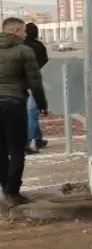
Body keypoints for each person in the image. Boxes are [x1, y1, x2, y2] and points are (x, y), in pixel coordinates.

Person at [0, 18, 47, 205]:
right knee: (17, 149)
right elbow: (35, 81)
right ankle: (13, 192)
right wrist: (42, 104)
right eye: (24, 31)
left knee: (1, 149)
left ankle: (5, 187)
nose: (26, 34)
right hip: (14, 103)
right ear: (16, 31)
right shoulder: (24, 51)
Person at [23, 22, 49, 154]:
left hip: (23, 84)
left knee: (30, 112)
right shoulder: (39, 46)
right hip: (36, 83)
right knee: (33, 111)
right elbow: (45, 64)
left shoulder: (21, 46)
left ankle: (34, 139)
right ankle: (33, 139)